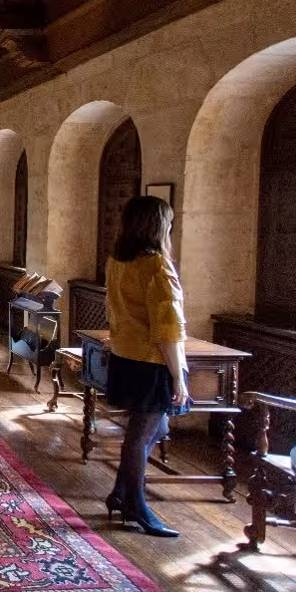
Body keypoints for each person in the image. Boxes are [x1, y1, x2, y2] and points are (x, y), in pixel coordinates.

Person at [103, 196, 189, 537]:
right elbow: (168, 329)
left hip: (125, 355)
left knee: (158, 427)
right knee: (140, 435)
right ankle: (136, 505)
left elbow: (113, 309)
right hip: (151, 362)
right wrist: (178, 376)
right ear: (157, 226)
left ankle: (121, 491)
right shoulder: (156, 266)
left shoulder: (117, 261)